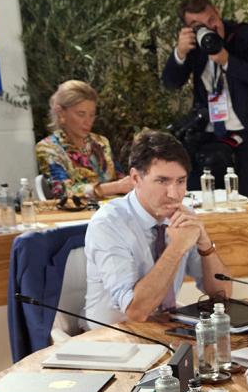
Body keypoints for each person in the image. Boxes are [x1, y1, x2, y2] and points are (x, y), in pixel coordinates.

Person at [83, 130, 231, 324]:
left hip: (165, 328)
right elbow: (136, 313)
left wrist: (205, 245)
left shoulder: (184, 217)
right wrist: (177, 247)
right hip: (112, 336)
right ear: (135, 179)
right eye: (162, 181)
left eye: (181, 181)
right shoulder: (108, 224)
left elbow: (223, 295)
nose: (174, 194)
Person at [161, 0, 248, 203]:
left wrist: (227, 61)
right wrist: (180, 53)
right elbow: (170, 83)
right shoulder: (194, 46)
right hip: (210, 135)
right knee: (199, 199)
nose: (210, 29)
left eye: (211, 20)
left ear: (218, 13)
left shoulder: (244, 36)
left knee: (242, 203)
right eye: (198, 25)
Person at [34, 80, 132, 203]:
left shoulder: (101, 142)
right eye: (81, 114)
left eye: (92, 115)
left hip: (114, 211)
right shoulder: (48, 148)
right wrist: (112, 188)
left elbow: (119, 177)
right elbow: (61, 191)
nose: (88, 121)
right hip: (80, 216)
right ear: (61, 113)